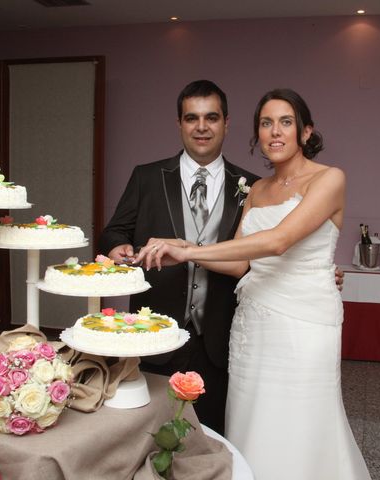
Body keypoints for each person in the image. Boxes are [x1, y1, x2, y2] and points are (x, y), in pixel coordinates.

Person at [137, 89, 371, 479]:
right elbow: (242, 262)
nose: (274, 132)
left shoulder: (329, 179)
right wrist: (185, 244)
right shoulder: (257, 190)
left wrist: (190, 254)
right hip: (252, 324)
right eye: (265, 123)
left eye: (285, 122)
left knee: (301, 419)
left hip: (304, 321)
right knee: (252, 416)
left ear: (306, 132)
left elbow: (278, 241)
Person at [98, 80, 260, 434]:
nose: (201, 127)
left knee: (213, 436)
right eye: (192, 118)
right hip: (156, 331)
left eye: (211, 118)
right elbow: (113, 231)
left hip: (219, 337)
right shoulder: (147, 177)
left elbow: (265, 255)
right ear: (179, 124)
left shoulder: (252, 185)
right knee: (150, 434)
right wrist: (117, 247)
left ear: (226, 123)